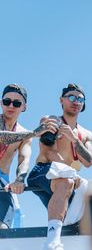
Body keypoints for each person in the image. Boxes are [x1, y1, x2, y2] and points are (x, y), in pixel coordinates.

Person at [27, 83, 92, 250]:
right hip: (43, 172)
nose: (76, 101)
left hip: (69, 182)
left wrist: (74, 139)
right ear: (61, 100)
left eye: (80, 98)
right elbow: (48, 152)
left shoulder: (86, 134)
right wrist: (70, 173)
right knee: (66, 181)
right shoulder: (51, 121)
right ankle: (52, 243)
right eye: (71, 97)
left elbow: (89, 161)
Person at [0, 83, 53, 229]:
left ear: (24, 107)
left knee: (7, 227)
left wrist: (20, 179)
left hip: (3, 183)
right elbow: (3, 137)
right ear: (1, 103)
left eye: (16, 103)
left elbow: (24, 159)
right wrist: (34, 133)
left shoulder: (25, 134)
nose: (11, 105)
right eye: (6, 101)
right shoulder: (28, 134)